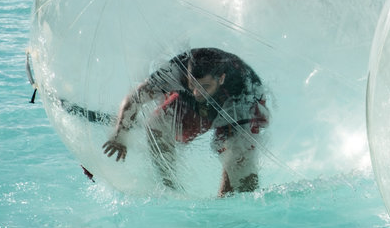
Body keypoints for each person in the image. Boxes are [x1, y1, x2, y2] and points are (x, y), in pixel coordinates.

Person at [102, 47, 270, 196]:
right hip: (195, 102)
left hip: (237, 104)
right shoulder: (176, 71)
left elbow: (239, 147)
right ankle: (170, 188)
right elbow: (134, 98)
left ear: (221, 79)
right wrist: (119, 135)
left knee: (239, 169)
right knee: (157, 124)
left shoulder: (244, 87)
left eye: (204, 86)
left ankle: (236, 208)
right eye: (193, 85)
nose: (197, 93)